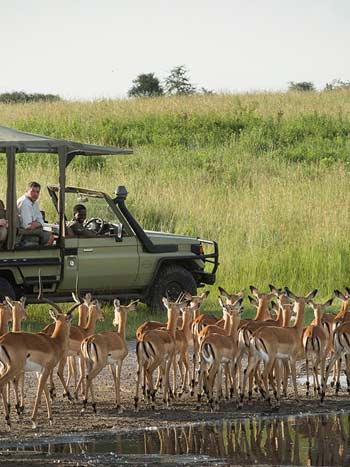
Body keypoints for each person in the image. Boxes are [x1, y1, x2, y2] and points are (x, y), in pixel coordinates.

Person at [17, 181, 54, 246]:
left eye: (37, 192)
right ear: (27, 191)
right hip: (23, 233)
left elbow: (40, 220)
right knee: (50, 236)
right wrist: (38, 224)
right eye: (33, 191)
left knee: (51, 235)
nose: (35, 194)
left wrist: (38, 223)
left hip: (33, 230)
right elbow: (27, 226)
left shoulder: (34, 202)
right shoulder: (24, 203)